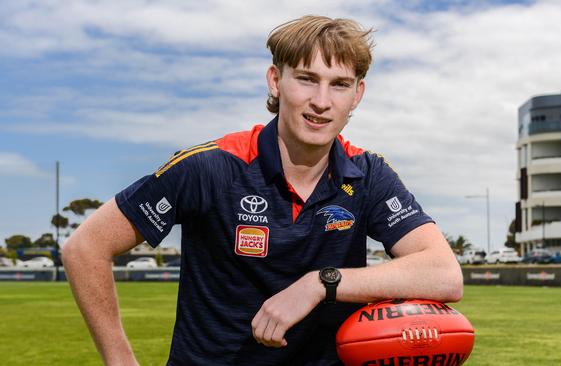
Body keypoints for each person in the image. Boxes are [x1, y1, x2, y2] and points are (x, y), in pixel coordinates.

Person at [62, 15, 463, 366]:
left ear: (357, 94)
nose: (321, 101)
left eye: (339, 85)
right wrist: (120, 361)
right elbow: (85, 248)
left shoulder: (368, 174)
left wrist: (320, 284)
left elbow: (444, 274)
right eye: (307, 79)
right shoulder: (211, 167)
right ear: (276, 80)